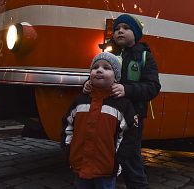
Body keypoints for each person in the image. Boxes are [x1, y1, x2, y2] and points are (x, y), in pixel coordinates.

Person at [84, 14, 161, 189]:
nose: (120, 31)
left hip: (132, 117)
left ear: (135, 33)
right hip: (107, 114)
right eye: (117, 28)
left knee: (130, 157)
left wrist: (127, 90)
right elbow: (96, 75)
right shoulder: (107, 55)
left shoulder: (144, 57)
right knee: (104, 153)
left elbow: (153, 86)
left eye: (126, 28)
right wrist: (87, 84)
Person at [62, 52, 137, 189]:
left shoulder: (123, 105)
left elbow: (129, 135)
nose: (99, 70)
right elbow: (68, 126)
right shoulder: (80, 101)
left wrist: (119, 159)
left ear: (116, 78)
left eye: (106, 68)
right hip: (80, 164)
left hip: (106, 169)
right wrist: (68, 149)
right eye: (95, 67)